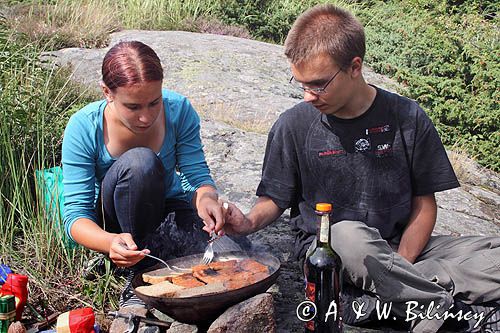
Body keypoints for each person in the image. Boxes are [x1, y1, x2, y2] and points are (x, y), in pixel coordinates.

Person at [223, 4, 500, 332]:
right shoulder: (292, 126)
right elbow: (274, 200)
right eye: (301, 84)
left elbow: (424, 207)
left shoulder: (408, 117)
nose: (309, 96)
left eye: (319, 85)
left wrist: (399, 269)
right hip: (333, 254)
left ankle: (381, 302)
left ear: (355, 67)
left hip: (404, 248)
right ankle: (445, 310)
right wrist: (246, 222)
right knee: (345, 235)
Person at [62, 40, 225, 307]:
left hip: (166, 209)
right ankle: (136, 274)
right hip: (118, 224)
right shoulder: (84, 127)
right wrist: (109, 242)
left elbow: (196, 175)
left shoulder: (179, 110)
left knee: (229, 247)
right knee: (141, 163)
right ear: (107, 92)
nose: (146, 117)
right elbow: (75, 217)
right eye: (133, 107)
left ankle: (164, 258)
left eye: (154, 102)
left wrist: (207, 199)